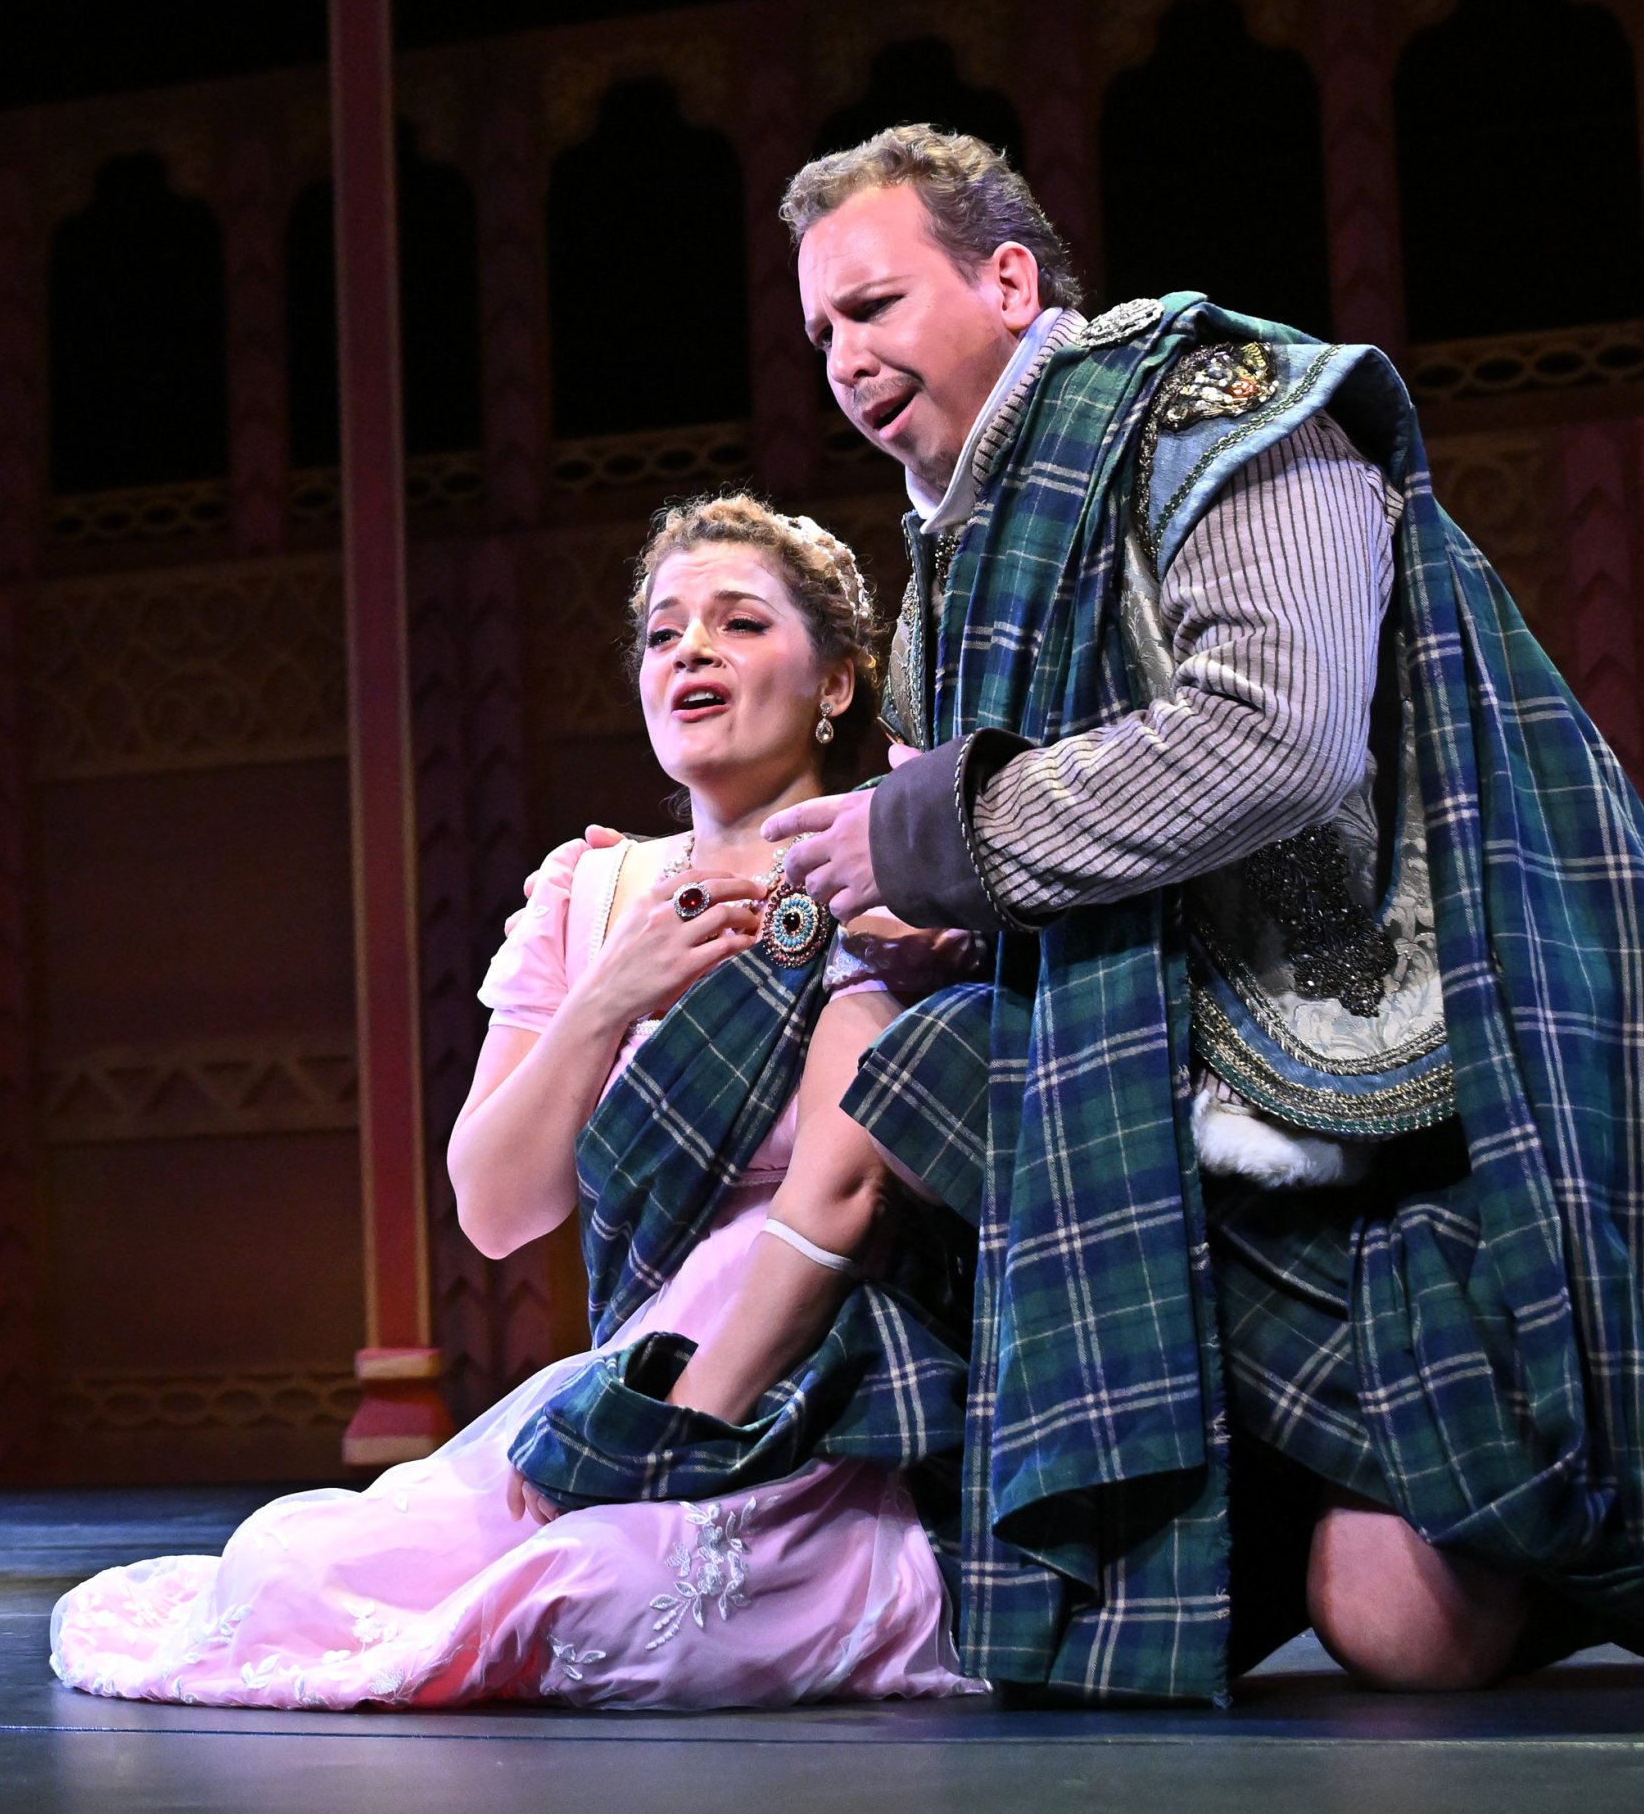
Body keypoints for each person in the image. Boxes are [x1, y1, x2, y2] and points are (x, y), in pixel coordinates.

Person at [508, 123, 1644, 1702]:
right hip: (1167, 1096)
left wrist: (927, 842)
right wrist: (922, 918)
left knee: (935, 1083)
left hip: (1402, 1074)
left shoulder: (1219, 407)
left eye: (871, 305)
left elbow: (1274, 731)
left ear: (1006, 276)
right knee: (1409, 1632)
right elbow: (1024, 877)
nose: (842, 360)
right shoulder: (949, 580)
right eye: (818, 334)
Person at [47, 496, 978, 1710]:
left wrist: (686, 1429)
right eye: (661, 632)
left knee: (578, 1601)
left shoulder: (874, 875)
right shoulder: (588, 893)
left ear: (839, 681)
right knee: (286, 1571)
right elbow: (495, 1208)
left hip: (817, 1391)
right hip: (637, 1365)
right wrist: (607, 995)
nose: (689, 651)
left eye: (738, 623)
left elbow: (845, 1190)